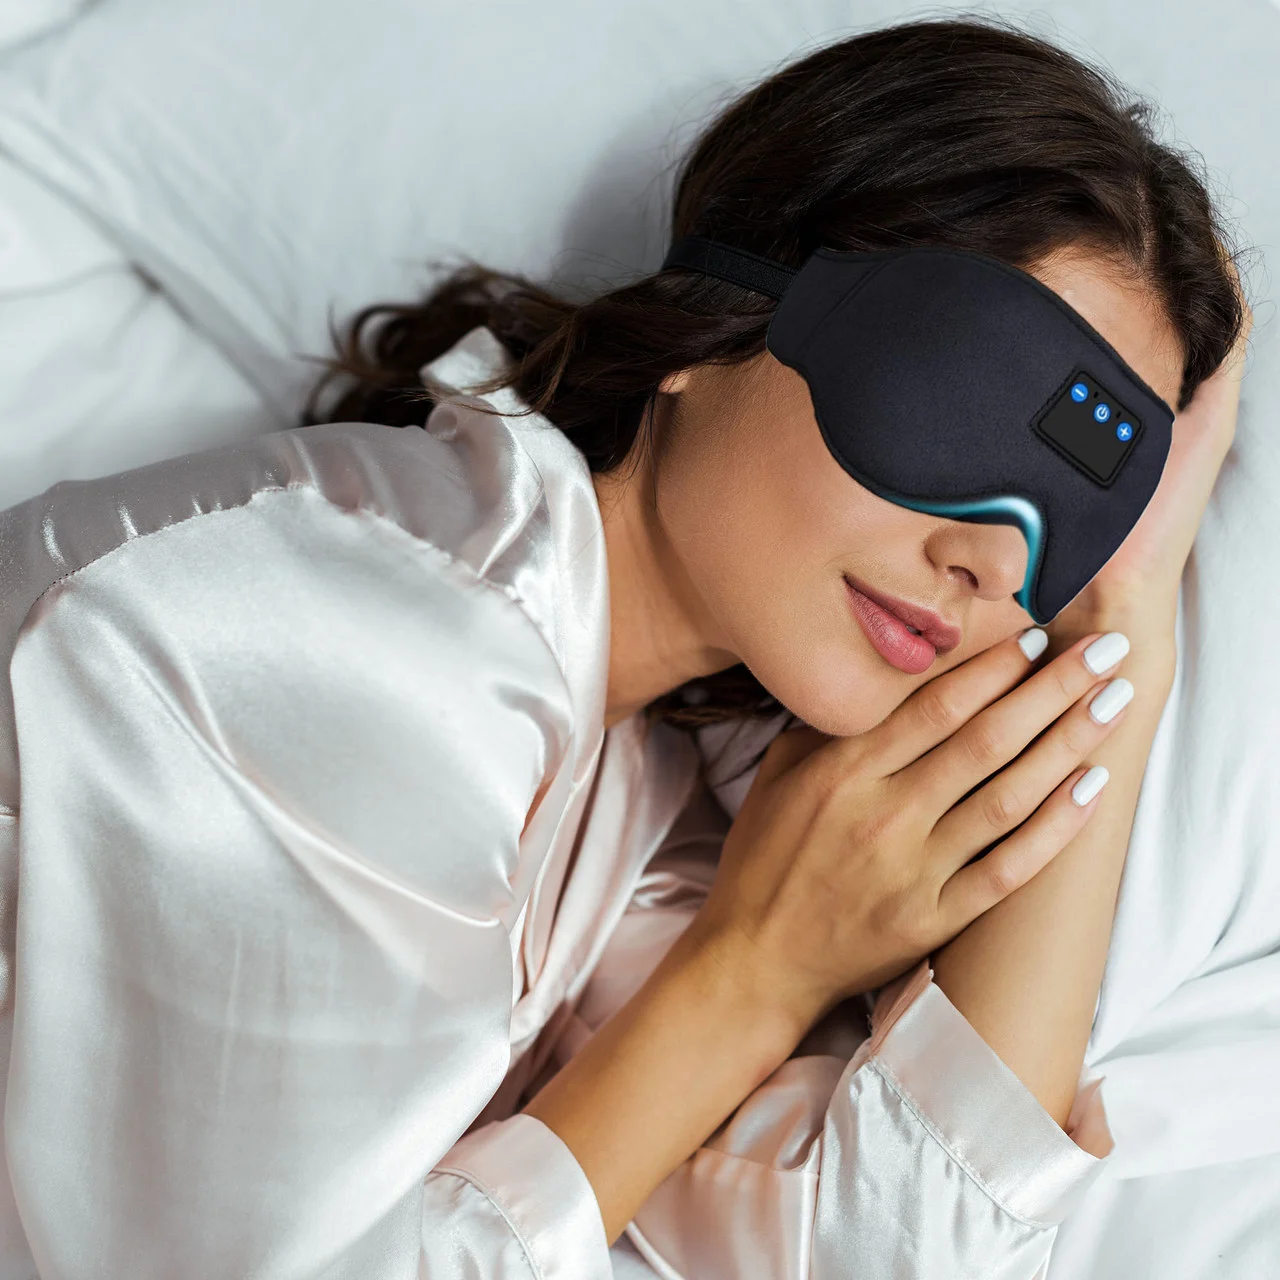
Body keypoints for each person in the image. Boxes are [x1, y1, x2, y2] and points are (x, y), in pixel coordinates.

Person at [0, 14, 1250, 1280]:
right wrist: (750, 975)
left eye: (1084, 514)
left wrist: (1125, 614)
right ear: (722, 315)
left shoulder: (635, 791)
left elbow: (899, 1251)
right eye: (965, 400)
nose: (991, 558)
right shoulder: (354, 636)